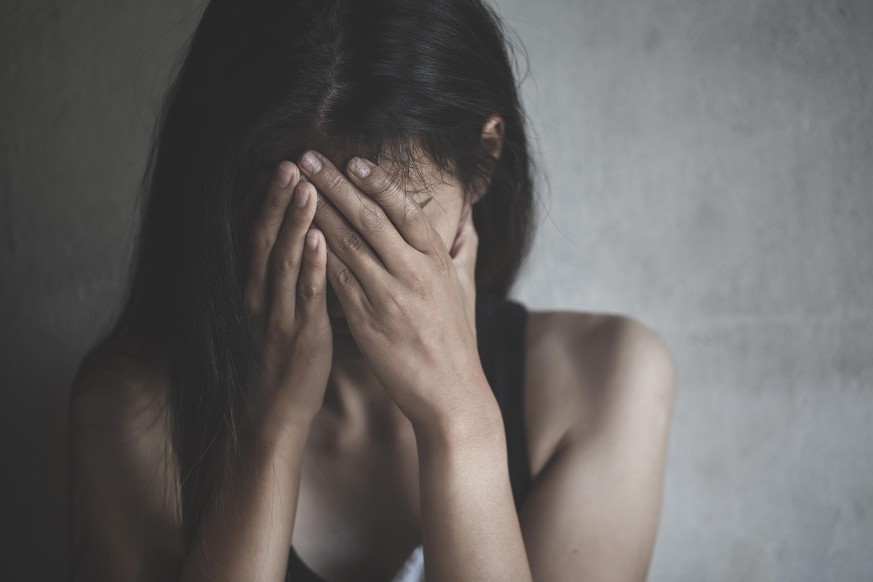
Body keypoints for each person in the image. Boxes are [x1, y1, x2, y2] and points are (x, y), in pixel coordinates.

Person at [68, 0, 677, 581]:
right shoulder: (137, 415)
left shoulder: (604, 381)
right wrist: (268, 431)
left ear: (484, 162)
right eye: (298, 219)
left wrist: (461, 422)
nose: (341, 271)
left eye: (384, 226)